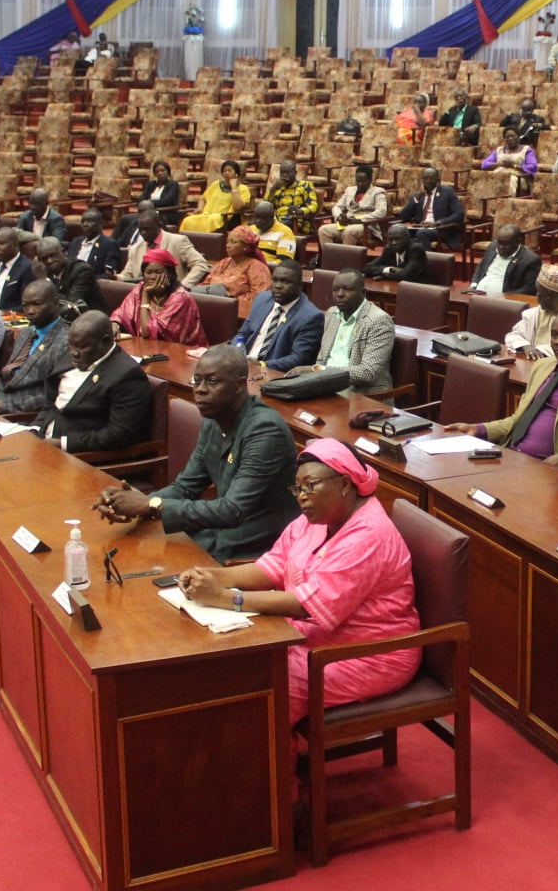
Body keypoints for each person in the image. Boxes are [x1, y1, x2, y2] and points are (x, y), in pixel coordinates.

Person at [172, 436, 416, 726]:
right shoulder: (317, 518)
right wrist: (211, 576)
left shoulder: (368, 534)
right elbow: (272, 566)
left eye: (311, 485)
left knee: (266, 682)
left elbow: (307, 606)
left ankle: (270, 767)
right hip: (310, 639)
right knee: (232, 661)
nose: (302, 495)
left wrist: (223, 598)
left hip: (371, 653)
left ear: (345, 483)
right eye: (298, 488)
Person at [95, 345, 300, 563]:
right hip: (215, 534)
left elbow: (232, 510)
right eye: (197, 381)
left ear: (240, 385)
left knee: (141, 560)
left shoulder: (265, 430)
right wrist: (135, 504)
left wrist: (151, 506)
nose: (200, 390)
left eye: (212, 382)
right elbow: (186, 487)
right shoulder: (213, 420)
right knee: (119, 551)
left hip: (252, 550)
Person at [446, 309, 558, 478]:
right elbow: (518, 421)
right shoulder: (542, 366)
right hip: (512, 459)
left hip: (555, 473)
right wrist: (479, 429)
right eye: (554, 335)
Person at [34, 311, 153, 453]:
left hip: (80, 457)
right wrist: (34, 428)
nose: (74, 352)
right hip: (42, 443)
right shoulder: (75, 351)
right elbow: (51, 404)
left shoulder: (127, 375)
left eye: (82, 347)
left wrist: (63, 444)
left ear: (106, 341)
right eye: (71, 345)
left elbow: (119, 434)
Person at [0, 280, 74, 415]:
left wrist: (5, 406)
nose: (30, 311)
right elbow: (9, 374)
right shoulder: (25, 332)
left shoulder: (66, 340)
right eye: (25, 306)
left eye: (37, 304)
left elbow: (54, 393)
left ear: (55, 303)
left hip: (26, 416)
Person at [311, 270, 395, 396]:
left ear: (363, 292)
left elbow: (367, 373)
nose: (340, 294)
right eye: (335, 289)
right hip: (327, 389)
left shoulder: (378, 320)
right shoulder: (331, 314)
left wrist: (320, 371)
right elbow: (322, 359)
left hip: (362, 397)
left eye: (347, 289)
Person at [231, 259, 324, 370]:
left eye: (285, 282)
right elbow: (242, 334)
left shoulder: (310, 317)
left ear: (300, 285)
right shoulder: (262, 299)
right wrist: (236, 353)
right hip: (244, 365)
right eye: (275, 280)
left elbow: (299, 359)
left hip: (272, 372)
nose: (278, 286)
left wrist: (261, 366)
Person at [111, 247, 206, 347]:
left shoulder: (180, 297)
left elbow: (148, 332)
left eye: (158, 272)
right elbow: (120, 314)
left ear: (170, 274)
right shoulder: (140, 289)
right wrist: (114, 324)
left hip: (179, 352)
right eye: (148, 272)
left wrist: (146, 295)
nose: (152, 277)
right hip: (145, 348)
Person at [120, 205, 210, 287]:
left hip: (171, 293)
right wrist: (115, 277)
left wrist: (183, 286)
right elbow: (127, 274)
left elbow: (200, 264)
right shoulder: (135, 248)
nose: (143, 233)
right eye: (141, 230)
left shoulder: (178, 241)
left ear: (159, 226)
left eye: (147, 229)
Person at [196, 225, 271, 318]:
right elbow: (206, 284)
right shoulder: (224, 263)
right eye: (227, 242)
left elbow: (260, 296)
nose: (228, 245)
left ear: (245, 246)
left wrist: (230, 301)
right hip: (213, 307)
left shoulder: (256, 267)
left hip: (238, 314)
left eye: (233, 242)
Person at [395, 167, 466, 250]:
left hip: (440, 229)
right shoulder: (417, 195)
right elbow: (404, 216)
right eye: (425, 178)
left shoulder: (447, 192)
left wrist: (438, 222)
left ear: (437, 180)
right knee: (396, 232)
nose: (428, 181)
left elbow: (459, 214)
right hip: (419, 227)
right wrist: (417, 199)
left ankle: (427, 261)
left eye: (431, 178)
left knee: (421, 234)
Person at [318, 165, 387, 247]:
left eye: (363, 182)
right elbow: (337, 206)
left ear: (370, 180)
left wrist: (360, 220)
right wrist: (339, 216)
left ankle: (347, 259)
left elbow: (382, 211)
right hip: (347, 223)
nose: (360, 184)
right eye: (358, 181)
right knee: (323, 230)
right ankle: (331, 258)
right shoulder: (350, 190)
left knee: (349, 231)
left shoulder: (378, 192)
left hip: (366, 226)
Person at [181, 160, 253, 234]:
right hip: (207, 215)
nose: (227, 173)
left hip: (225, 218)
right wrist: (200, 208)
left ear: (236, 173)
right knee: (188, 221)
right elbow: (203, 198)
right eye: (224, 171)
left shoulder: (243, 188)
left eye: (229, 171)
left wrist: (233, 187)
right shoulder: (215, 185)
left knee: (212, 221)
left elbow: (238, 207)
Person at [469, 223, 541, 295]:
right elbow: (481, 267)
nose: (500, 247)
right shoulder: (493, 246)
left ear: (518, 241)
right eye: (499, 243)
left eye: (505, 244)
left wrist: (505, 297)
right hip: (477, 294)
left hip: (502, 300)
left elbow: (529, 288)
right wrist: (473, 285)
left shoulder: (530, 259)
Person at [0, 227, 38, 311]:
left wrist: (2, 313)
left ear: (15, 245)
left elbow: (27, 304)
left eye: (1, 244)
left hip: (6, 317)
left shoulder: (27, 267)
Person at [265, 160, 320, 237]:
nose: (284, 176)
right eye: (282, 173)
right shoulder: (277, 188)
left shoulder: (305, 185)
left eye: (287, 173)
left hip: (295, 220)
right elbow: (265, 205)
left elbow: (314, 206)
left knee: (277, 227)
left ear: (295, 172)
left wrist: (301, 211)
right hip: (276, 218)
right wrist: (273, 189)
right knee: (254, 225)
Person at [65, 208, 122, 277]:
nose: (85, 224)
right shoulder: (76, 242)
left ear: (100, 224)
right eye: (83, 221)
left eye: (89, 221)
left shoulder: (109, 244)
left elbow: (109, 274)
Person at [366, 223, 430, 283]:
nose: (394, 243)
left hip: (418, 289)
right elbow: (368, 268)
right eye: (391, 240)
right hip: (395, 287)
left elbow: (406, 276)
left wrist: (384, 275)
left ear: (407, 238)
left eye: (397, 239)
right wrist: (390, 269)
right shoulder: (389, 249)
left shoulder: (416, 249)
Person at [136, 161, 183, 228]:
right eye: (157, 171)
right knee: (125, 218)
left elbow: (167, 200)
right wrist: (144, 202)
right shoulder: (151, 184)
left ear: (168, 172)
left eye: (162, 170)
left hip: (165, 214)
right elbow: (142, 197)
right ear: (155, 174)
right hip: (147, 213)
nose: (160, 173)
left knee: (143, 221)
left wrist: (150, 203)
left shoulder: (173, 185)